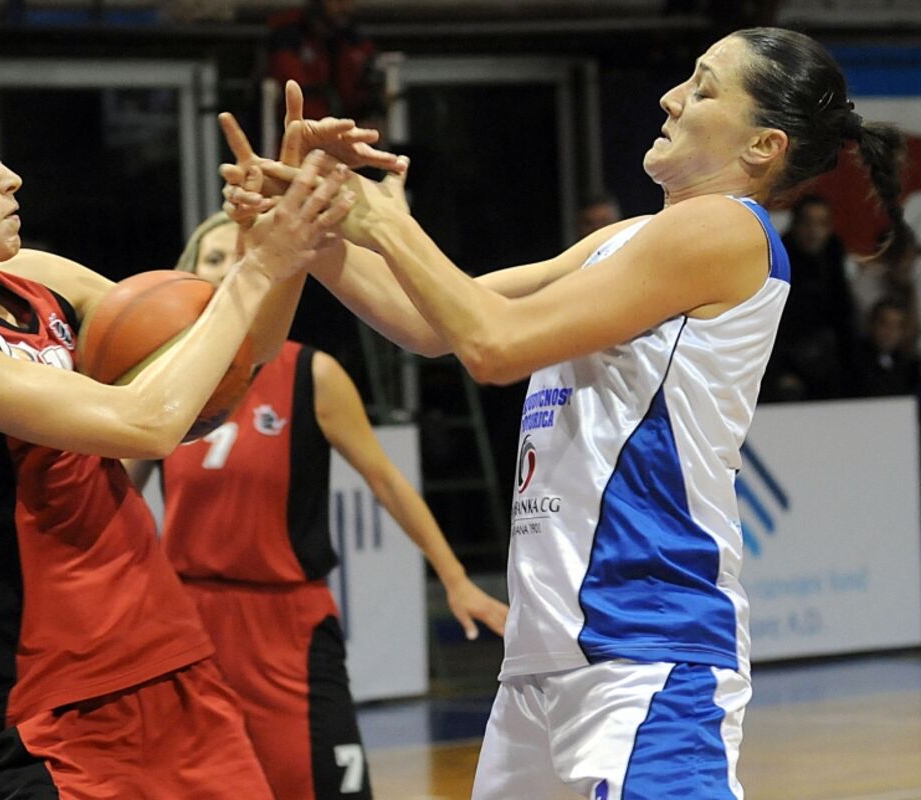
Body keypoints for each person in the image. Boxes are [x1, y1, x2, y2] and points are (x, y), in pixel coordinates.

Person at [231, 26, 909, 799]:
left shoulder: (725, 228)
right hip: (547, 650)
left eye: (702, 87)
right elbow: (432, 321)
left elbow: (494, 347)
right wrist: (305, 222)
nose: (670, 97)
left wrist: (385, 220)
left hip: (647, 646)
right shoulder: (627, 238)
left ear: (763, 145)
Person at [0, 88, 355, 799]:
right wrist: (256, 270)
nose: (10, 177)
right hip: (48, 710)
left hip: (169, 659)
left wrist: (284, 242)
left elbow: (232, 365)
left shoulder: (39, 280)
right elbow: (147, 423)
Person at [133, 212, 508, 800]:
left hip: (286, 621)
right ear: (187, 275)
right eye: (213, 258)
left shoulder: (312, 374)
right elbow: (116, 492)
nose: (228, 268)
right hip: (190, 620)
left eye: (241, 253)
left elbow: (387, 482)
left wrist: (456, 579)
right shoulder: (164, 380)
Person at [765, 194, 859, 400]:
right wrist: (778, 372)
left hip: (830, 369)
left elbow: (844, 321)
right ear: (795, 225)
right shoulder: (777, 267)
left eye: (821, 223)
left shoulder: (835, 263)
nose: (814, 231)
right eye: (807, 223)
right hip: (785, 371)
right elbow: (771, 325)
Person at [267, 0, 383, 127]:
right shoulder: (289, 36)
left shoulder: (355, 40)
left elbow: (364, 92)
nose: (344, 7)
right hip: (301, 127)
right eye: (337, 1)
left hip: (346, 125)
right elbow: (295, 91)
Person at [852, 296, 919, 397]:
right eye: (884, 324)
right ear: (871, 325)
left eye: (896, 326)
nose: (889, 332)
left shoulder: (909, 366)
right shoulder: (853, 362)